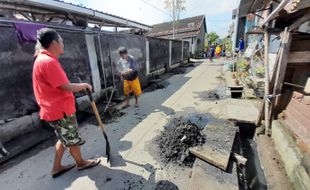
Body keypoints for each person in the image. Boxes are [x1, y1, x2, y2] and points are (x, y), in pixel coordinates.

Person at [32, 28, 100, 178]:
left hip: (52, 109)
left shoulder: (42, 59)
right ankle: (81, 163)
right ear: (54, 43)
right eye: (61, 41)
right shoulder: (48, 62)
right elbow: (66, 86)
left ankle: (56, 167)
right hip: (59, 110)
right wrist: (85, 85)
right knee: (71, 138)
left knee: (63, 138)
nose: (63, 44)